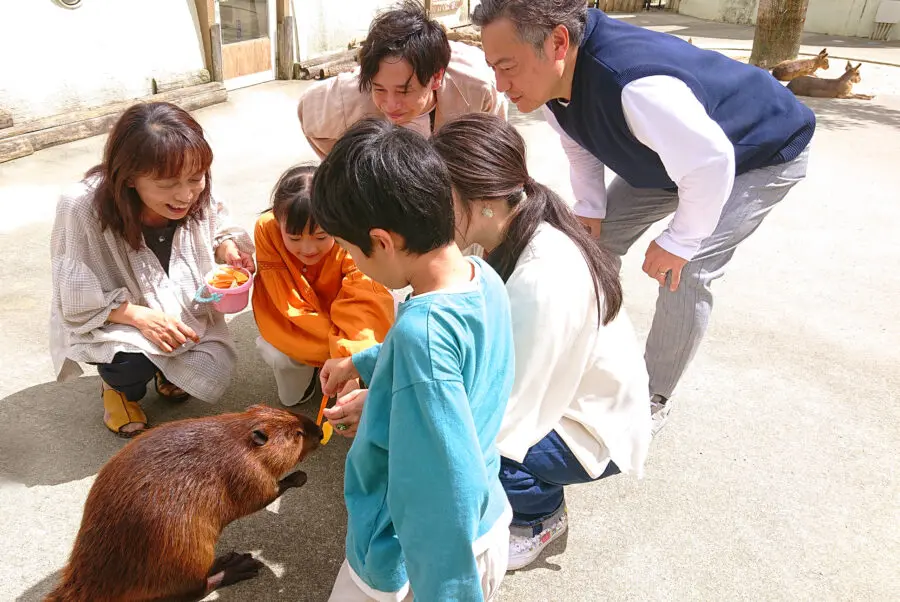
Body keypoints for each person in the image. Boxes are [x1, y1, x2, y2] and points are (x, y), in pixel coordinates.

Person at [473, 0, 816, 432]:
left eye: (509, 67)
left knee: (687, 271)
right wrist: (591, 208)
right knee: (587, 244)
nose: (501, 86)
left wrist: (680, 241)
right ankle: (577, 354)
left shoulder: (634, 86)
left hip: (757, 150)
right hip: (671, 152)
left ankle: (651, 397)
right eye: (494, 68)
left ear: (558, 42)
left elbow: (710, 164)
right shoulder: (548, 80)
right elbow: (578, 144)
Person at [431, 113, 651, 570]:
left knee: (475, 449)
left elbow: (506, 406)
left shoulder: (542, 278)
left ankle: (539, 517)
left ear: (485, 200)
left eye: (439, 198)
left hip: (591, 420)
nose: (430, 211)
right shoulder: (517, 220)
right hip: (574, 386)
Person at [311, 118, 515, 601]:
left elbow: (444, 484)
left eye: (346, 249)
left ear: (381, 241)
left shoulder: (420, 332)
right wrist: (364, 363)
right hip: (485, 525)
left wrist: (447, 592)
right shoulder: (481, 276)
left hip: (411, 560)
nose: (353, 262)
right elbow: (456, 364)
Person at [50, 102, 255, 437]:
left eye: (195, 178)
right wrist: (139, 316)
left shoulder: (193, 189)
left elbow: (219, 226)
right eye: (166, 184)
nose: (186, 195)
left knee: (192, 350)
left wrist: (227, 249)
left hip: (179, 306)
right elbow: (74, 298)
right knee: (130, 361)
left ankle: (167, 372)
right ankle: (118, 391)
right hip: (120, 312)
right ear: (130, 177)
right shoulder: (81, 207)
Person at [251, 164, 394, 406]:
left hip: (346, 322)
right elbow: (287, 303)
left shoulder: (352, 232)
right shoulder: (267, 228)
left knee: (375, 329)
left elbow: (363, 301)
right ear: (278, 219)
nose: (308, 249)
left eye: (321, 237)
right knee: (288, 385)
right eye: (294, 238)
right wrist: (345, 354)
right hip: (295, 325)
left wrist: (347, 358)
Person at [297, 0, 506, 159]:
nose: (390, 105)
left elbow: (496, 147)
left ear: (436, 78)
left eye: (403, 91)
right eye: (379, 89)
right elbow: (308, 114)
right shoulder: (346, 96)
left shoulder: (477, 87)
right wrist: (350, 165)